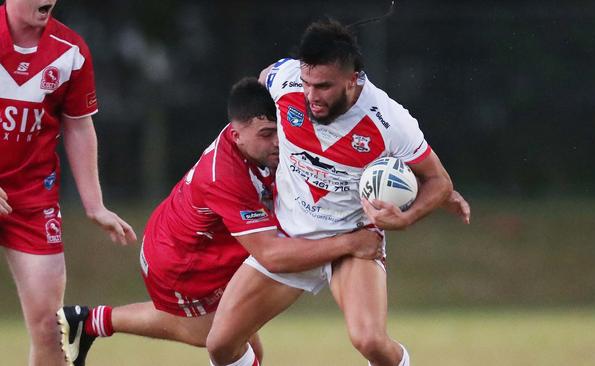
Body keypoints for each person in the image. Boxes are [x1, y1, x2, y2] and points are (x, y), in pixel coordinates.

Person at [57, 77, 384, 366]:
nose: (278, 143)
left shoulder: (253, 144)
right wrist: (350, 242)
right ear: (236, 134)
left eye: (279, 131)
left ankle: (86, 321)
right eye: (267, 134)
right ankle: (90, 322)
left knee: (241, 342)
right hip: (182, 264)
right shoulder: (225, 176)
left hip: (201, 243)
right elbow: (271, 255)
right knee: (215, 336)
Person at [206, 19, 471, 366]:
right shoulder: (283, 81)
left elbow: (438, 181)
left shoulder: (390, 121)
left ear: (353, 77)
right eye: (307, 84)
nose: (312, 96)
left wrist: (405, 218)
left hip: (353, 242)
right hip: (291, 236)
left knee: (371, 341)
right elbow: (265, 75)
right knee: (220, 345)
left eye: (324, 86)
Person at [0, 1, 137, 365]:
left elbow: (78, 125)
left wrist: (95, 204)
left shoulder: (70, 51)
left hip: (32, 200)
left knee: (50, 327)